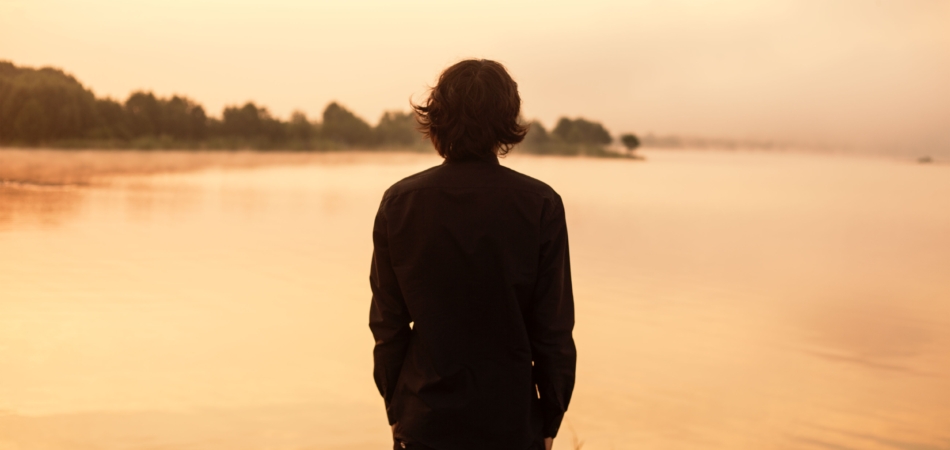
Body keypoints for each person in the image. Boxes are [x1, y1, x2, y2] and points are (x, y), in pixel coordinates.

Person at [369, 59, 576, 450]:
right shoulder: (540, 205)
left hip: (424, 422)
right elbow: (553, 331)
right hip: (511, 424)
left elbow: (388, 326)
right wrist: (549, 419)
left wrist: (399, 411)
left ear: (438, 117)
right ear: (506, 119)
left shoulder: (400, 203)